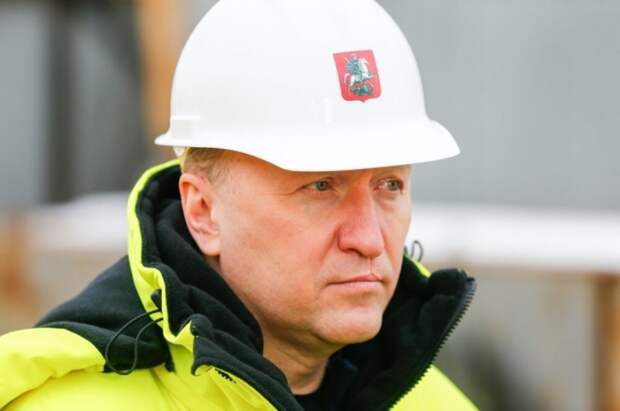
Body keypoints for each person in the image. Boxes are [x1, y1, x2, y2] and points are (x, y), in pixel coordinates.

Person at [0, 0, 478, 409]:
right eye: (320, 187)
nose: (369, 239)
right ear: (204, 212)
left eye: (389, 185)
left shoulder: (435, 403)